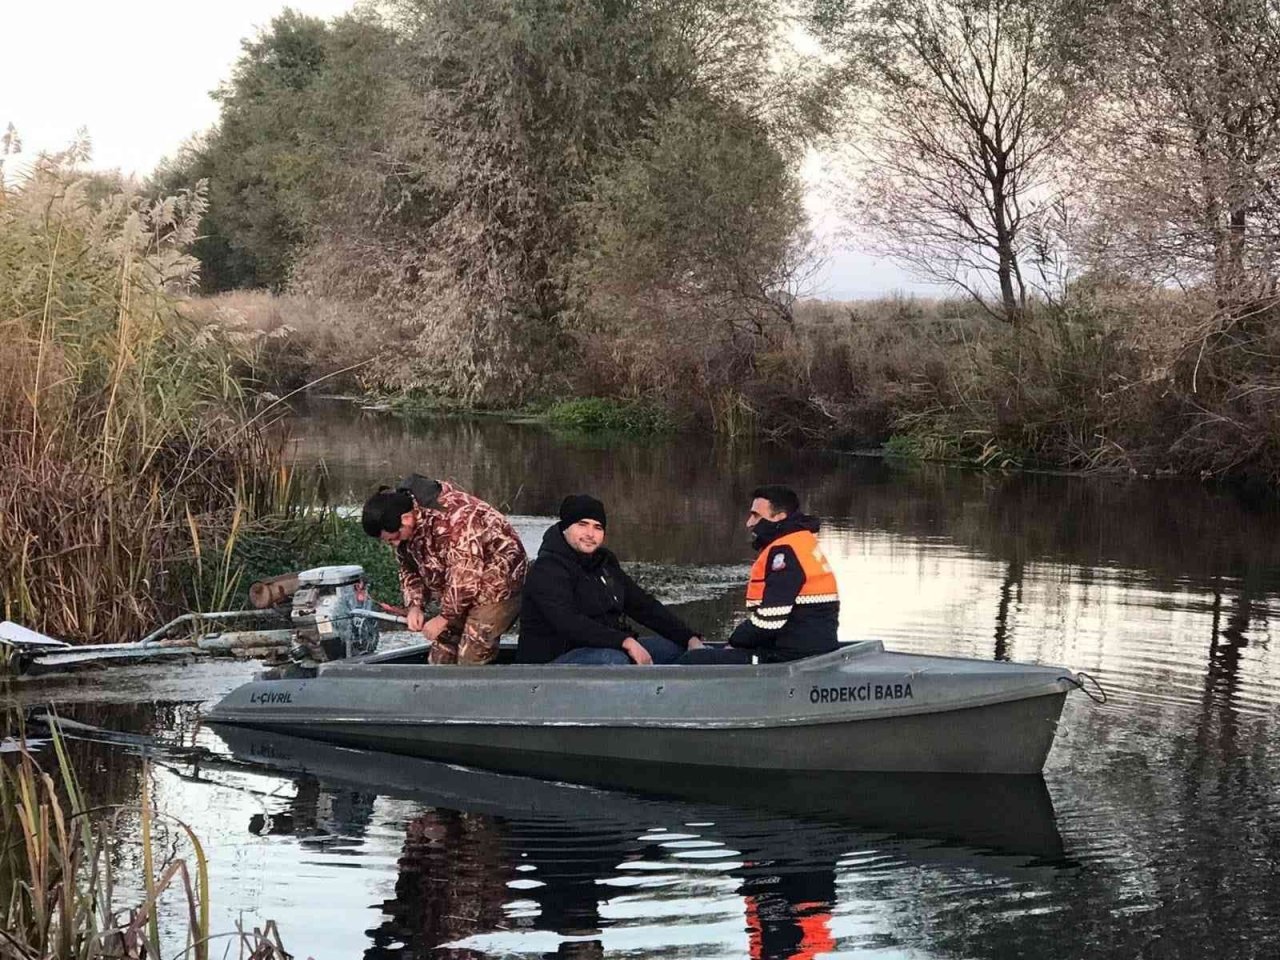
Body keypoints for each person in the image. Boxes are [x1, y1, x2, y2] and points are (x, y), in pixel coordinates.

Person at [517, 494, 705, 665]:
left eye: (597, 527)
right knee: (614, 659)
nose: (590, 534)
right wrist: (624, 641)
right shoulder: (546, 569)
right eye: (582, 524)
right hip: (549, 665)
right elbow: (569, 622)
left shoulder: (604, 564)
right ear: (565, 527)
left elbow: (643, 606)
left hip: (605, 647)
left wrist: (688, 637)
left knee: (673, 650)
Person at [362, 473, 527, 665]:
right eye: (389, 541)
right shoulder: (402, 527)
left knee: (471, 659)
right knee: (441, 658)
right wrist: (415, 605)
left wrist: (444, 618)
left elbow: (465, 577)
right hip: (456, 590)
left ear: (406, 519)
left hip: (498, 585)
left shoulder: (456, 519)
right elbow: (409, 568)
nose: (395, 543)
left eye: (396, 537)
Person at [679, 485, 839, 665]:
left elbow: (771, 617)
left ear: (779, 517)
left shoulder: (784, 553)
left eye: (756, 515)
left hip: (792, 656)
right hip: (807, 647)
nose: (749, 523)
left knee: (694, 660)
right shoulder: (800, 542)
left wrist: (735, 642)